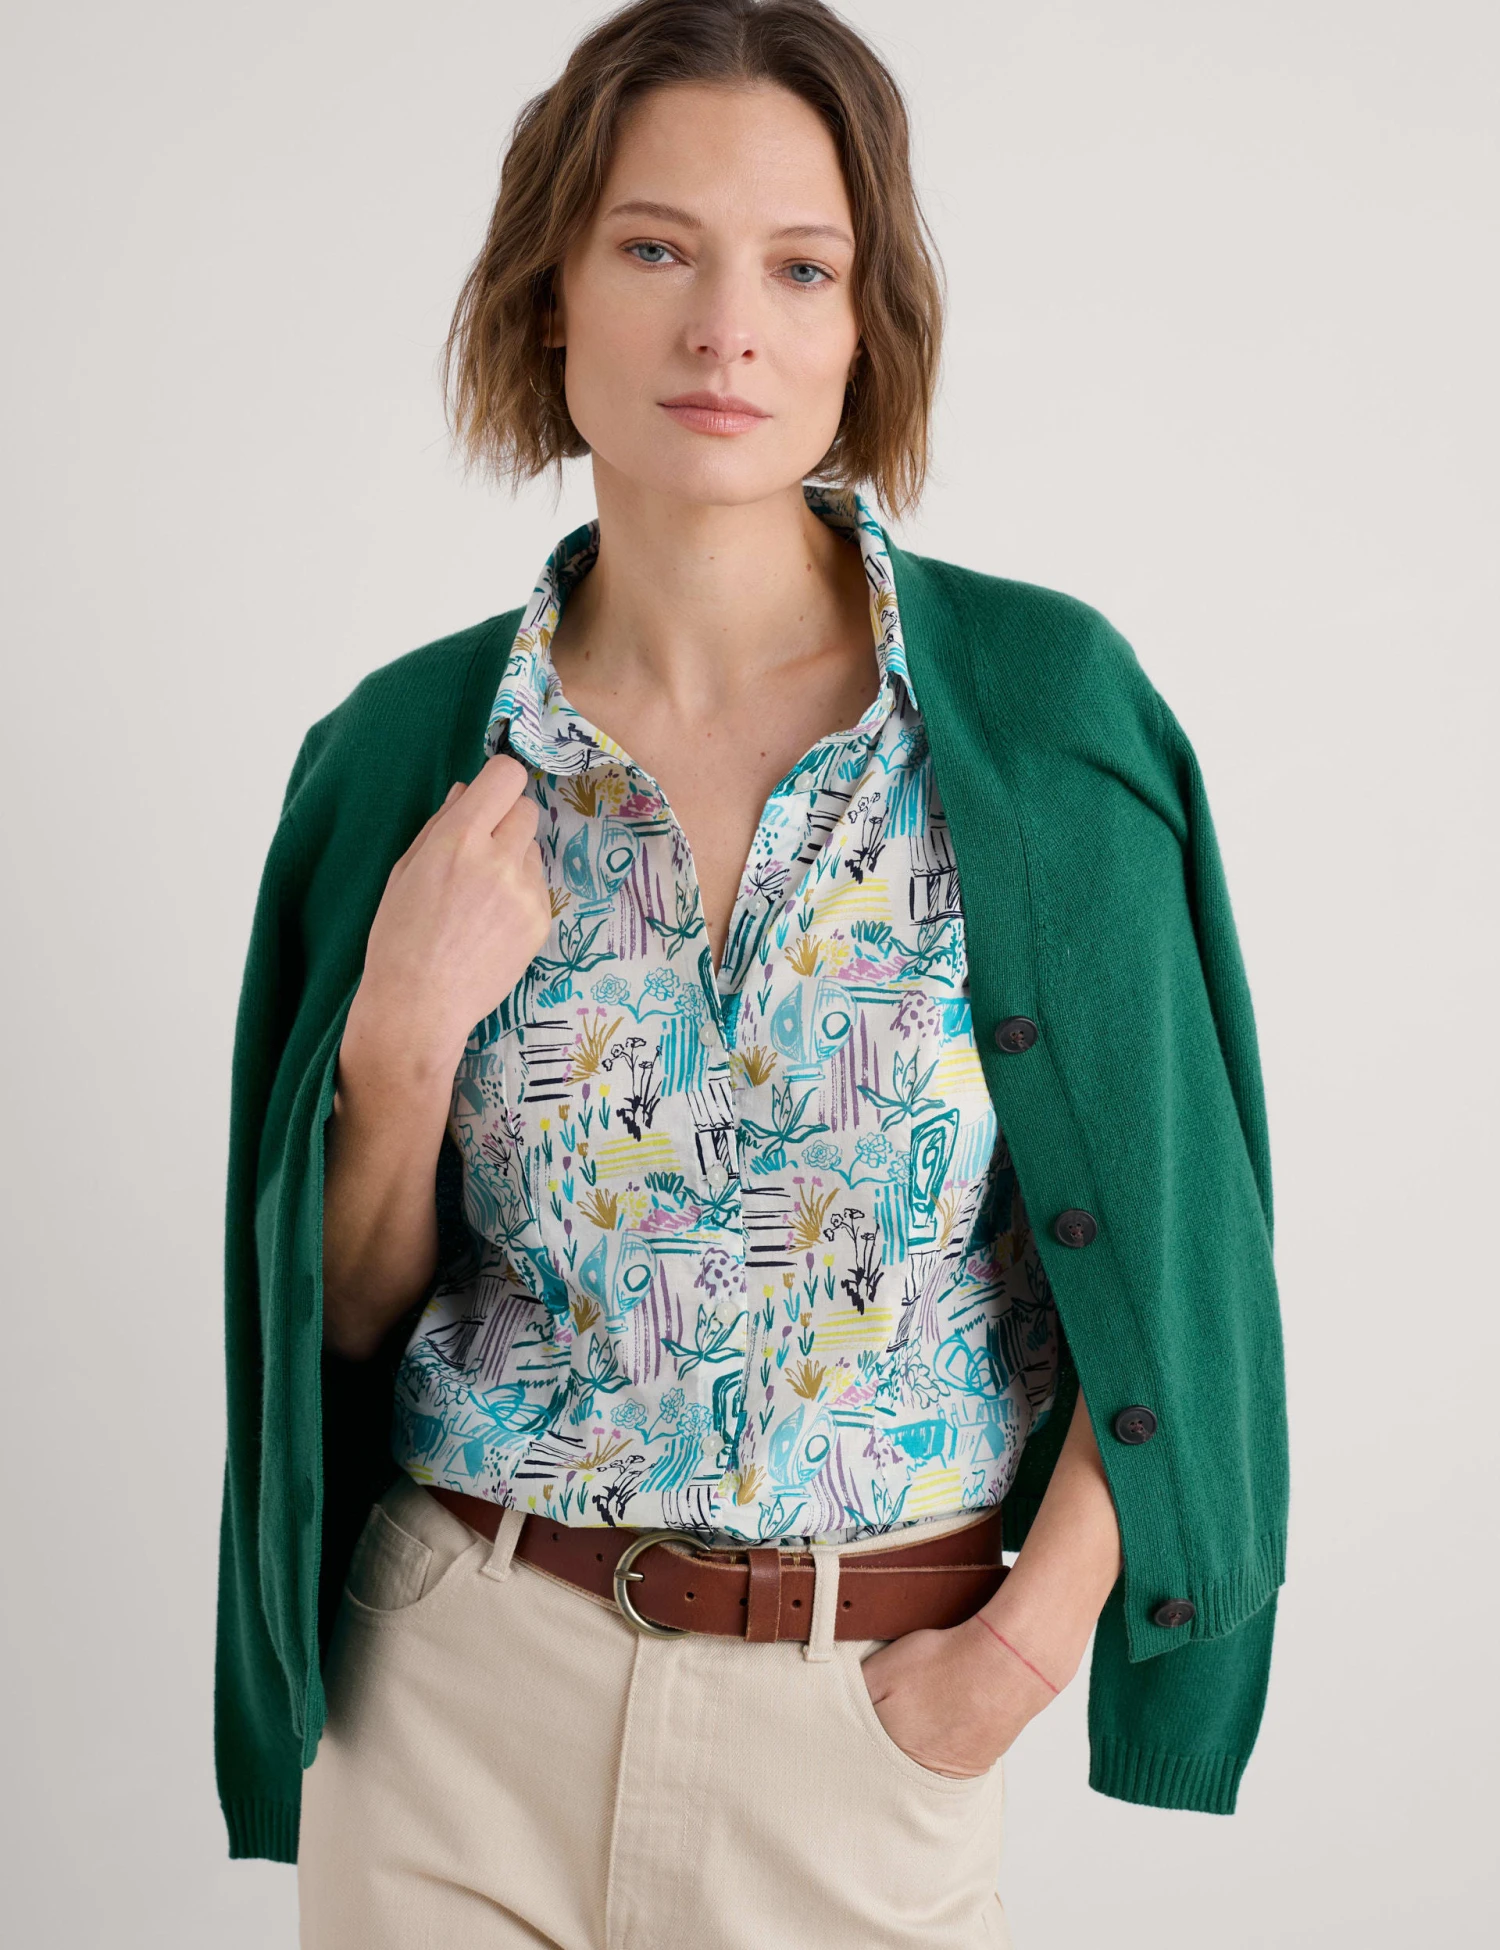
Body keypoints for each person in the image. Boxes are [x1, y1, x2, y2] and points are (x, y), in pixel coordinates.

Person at [213, 2, 1289, 1945]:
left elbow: (1187, 1260)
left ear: (866, 325)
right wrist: (399, 1042)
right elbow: (347, 1315)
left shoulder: (1042, 724)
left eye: (801, 267)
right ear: (551, 291)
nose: (727, 329)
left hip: (859, 1735)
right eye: (657, 247)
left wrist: (1015, 1660)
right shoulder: (401, 757)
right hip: (455, 1702)